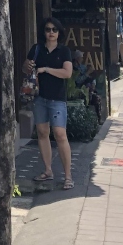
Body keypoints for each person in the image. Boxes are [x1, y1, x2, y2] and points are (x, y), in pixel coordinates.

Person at [22, 20, 74, 190]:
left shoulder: (64, 51)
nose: (51, 32)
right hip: (39, 97)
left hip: (57, 99)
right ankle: (48, 170)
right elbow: (25, 69)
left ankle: (68, 176)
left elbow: (67, 73)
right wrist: (27, 66)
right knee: (42, 132)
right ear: (43, 32)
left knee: (60, 134)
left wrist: (46, 69)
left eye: (54, 29)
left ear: (59, 32)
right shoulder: (37, 49)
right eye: (48, 29)